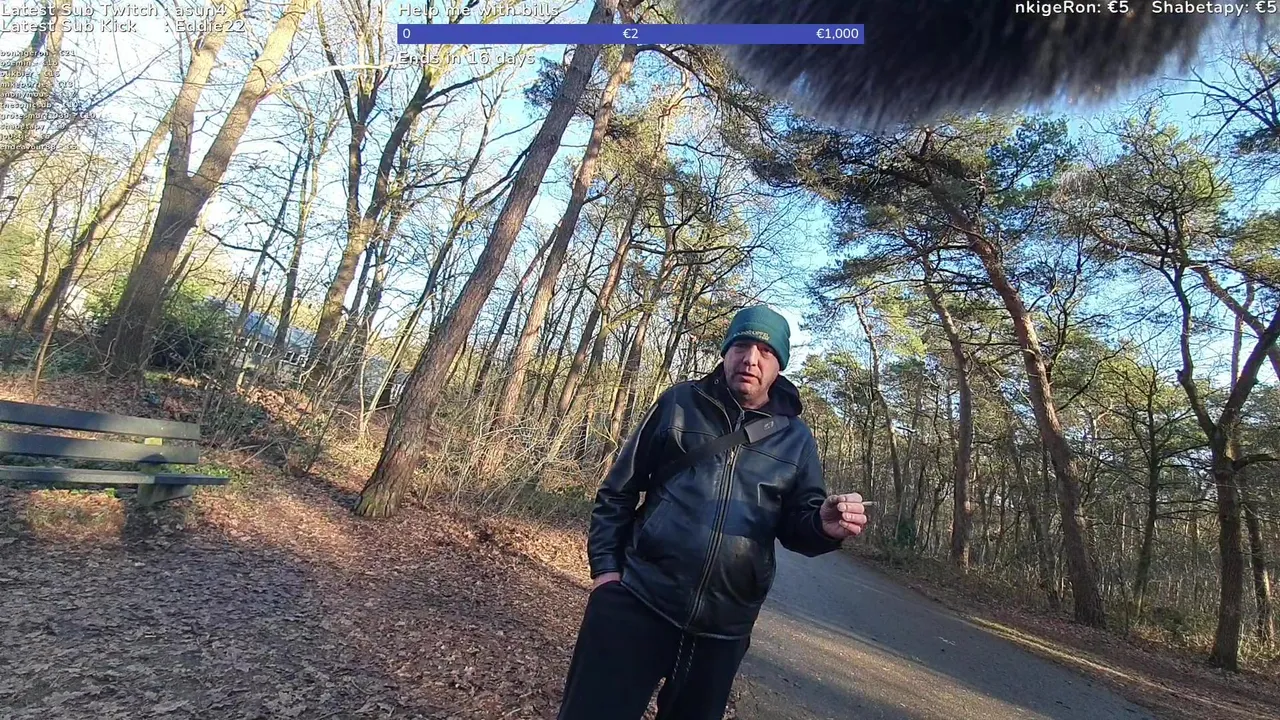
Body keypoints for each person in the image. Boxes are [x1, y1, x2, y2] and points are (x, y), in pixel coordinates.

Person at [556, 305, 869, 720]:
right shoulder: (679, 403)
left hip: (722, 631)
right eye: (741, 346)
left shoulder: (796, 439)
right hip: (638, 602)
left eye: (765, 351)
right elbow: (618, 491)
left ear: (780, 365)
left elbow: (799, 527)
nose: (750, 359)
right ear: (725, 352)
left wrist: (824, 527)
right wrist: (606, 573)